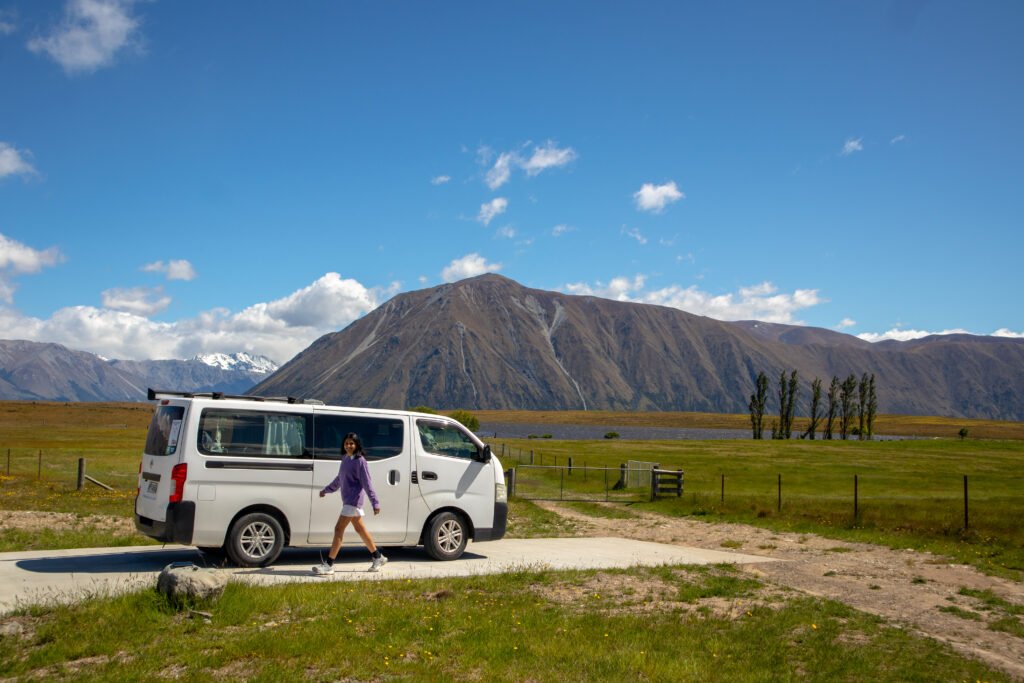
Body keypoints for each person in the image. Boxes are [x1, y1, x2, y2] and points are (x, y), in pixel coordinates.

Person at [312, 432, 387, 574]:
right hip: (347, 500)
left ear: (357, 444)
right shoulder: (345, 459)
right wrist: (327, 490)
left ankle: (329, 565)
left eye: (351, 443)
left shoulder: (360, 461)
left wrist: (375, 503)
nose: (349, 446)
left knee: (338, 529)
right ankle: (378, 557)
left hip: (353, 500)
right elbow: (339, 479)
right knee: (360, 529)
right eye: (346, 443)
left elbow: (367, 483)